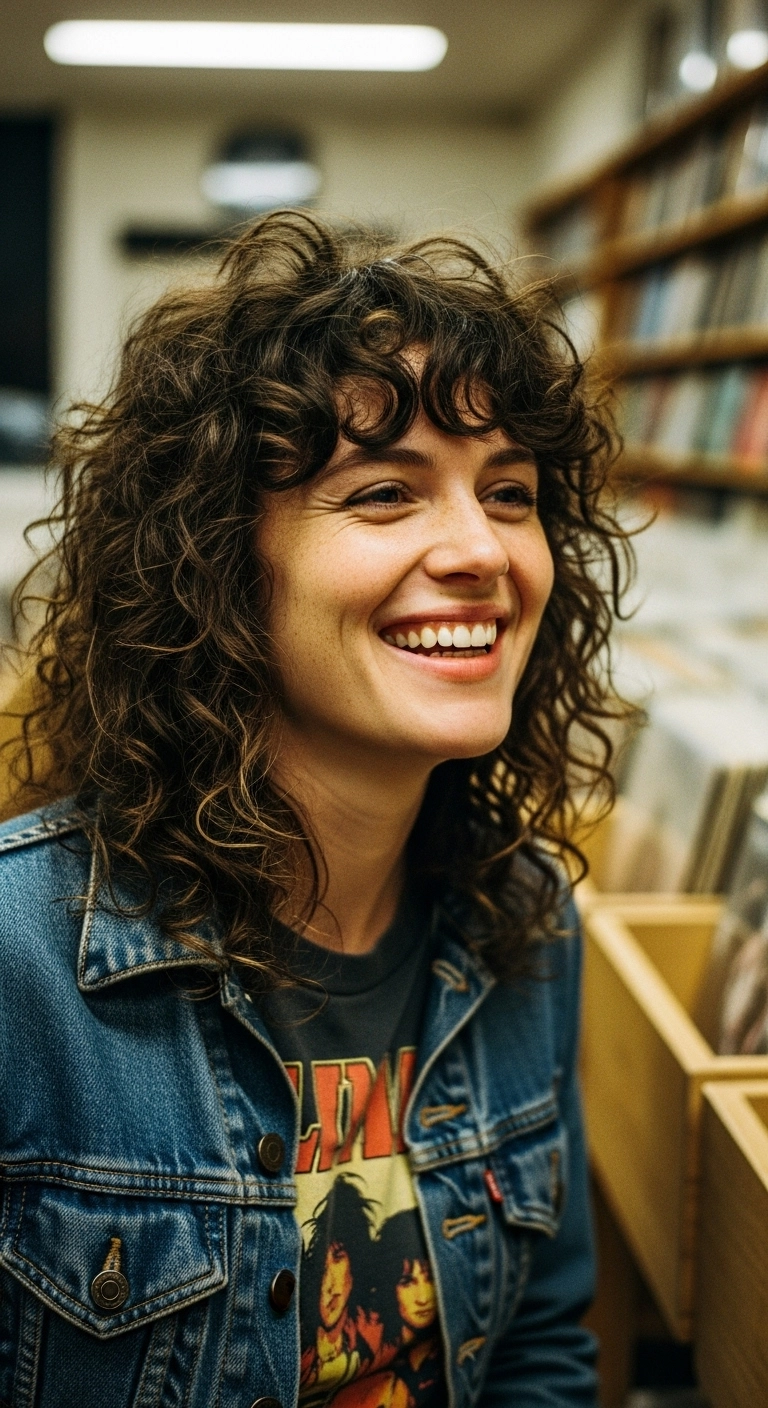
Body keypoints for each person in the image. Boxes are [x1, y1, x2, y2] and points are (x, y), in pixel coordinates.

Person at [0, 210, 629, 1407]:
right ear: (219, 563)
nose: (482, 551)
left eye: (510, 492)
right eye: (385, 492)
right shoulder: (19, 958)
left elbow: (541, 1346)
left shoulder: (524, 919)